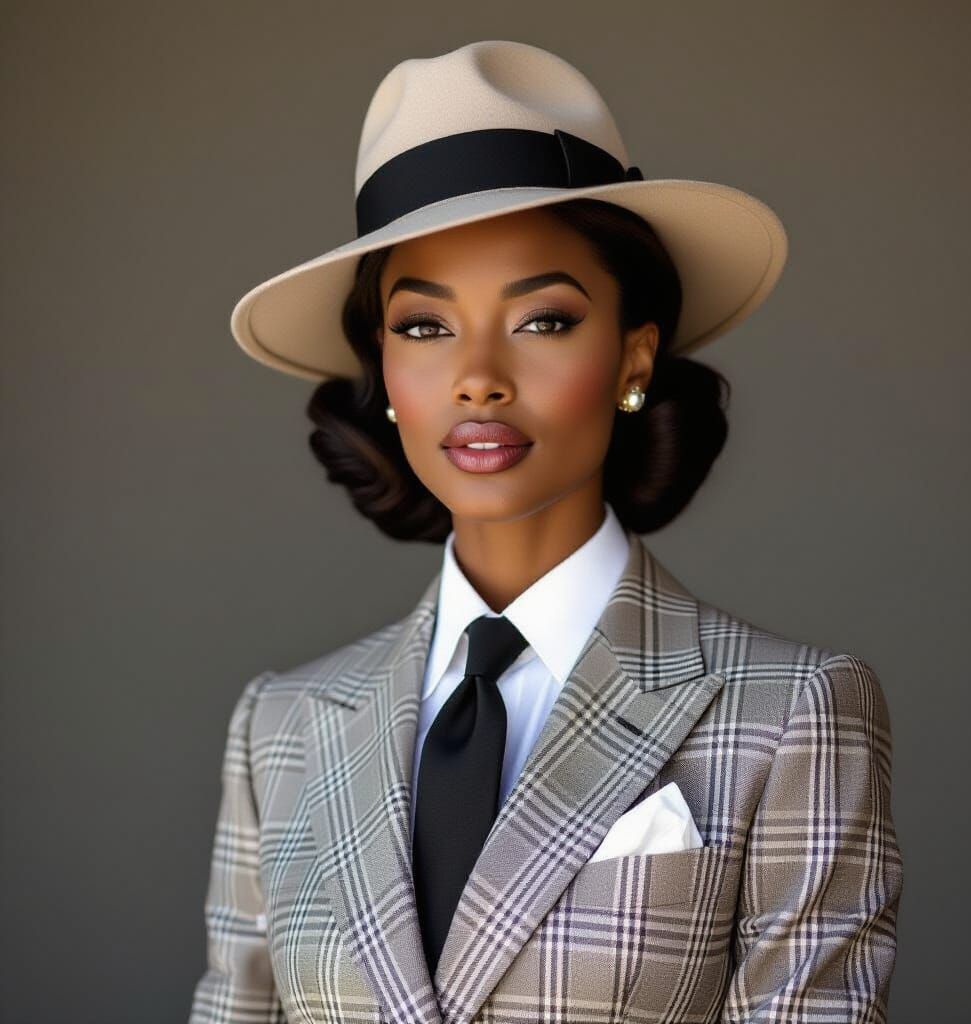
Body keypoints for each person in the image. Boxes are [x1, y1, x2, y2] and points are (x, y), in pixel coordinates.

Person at [189, 40, 902, 1024]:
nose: (477, 374)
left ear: (632, 357)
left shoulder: (792, 713)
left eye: (545, 319)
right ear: (384, 375)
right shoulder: (280, 730)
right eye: (425, 327)